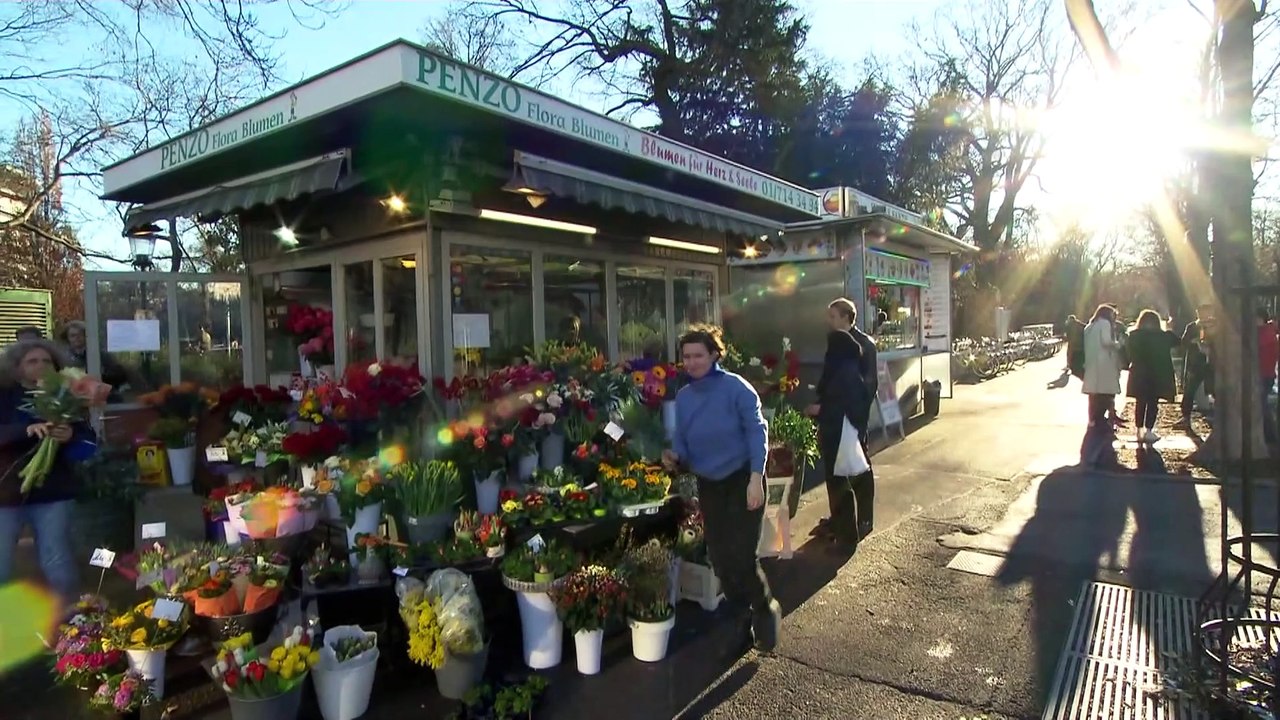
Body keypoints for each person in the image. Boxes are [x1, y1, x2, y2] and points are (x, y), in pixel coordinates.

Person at [662, 324, 780, 653]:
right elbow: (682, 439)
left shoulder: (736, 388)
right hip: (710, 484)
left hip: (743, 479)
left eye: (698, 355)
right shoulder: (684, 397)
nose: (691, 362)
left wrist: (756, 478)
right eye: (686, 356)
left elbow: (757, 432)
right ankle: (741, 624)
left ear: (715, 354)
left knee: (742, 558)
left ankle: (765, 608)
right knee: (720, 559)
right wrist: (675, 456)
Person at [0, 339, 98, 608]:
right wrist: (25, 430)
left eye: (46, 361)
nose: (41, 366)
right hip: (6, 493)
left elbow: (89, 446)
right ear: (16, 367)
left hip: (53, 492)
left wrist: (71, 436)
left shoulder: (67, 396)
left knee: (57, 558)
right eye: (32, 361)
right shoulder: (4, 396)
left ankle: (72, 618)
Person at [807, 298, 876, 545]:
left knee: (857, 470)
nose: (829, 321)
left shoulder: (863, 344)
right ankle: (839, 520)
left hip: (851, 420)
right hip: (835, 419)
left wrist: (856, 419)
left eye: (833, 316)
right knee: (839, 472)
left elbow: (867, 386)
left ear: (847, 317)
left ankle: (862, 519)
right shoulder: (836, 342)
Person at [1124, 310, 1179, 445]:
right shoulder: (1163, 336)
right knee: (1153, 403)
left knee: (1140, 402)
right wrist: (1169, 328)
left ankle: (1138, 430)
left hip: (1139, 374)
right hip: (1157, 374)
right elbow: (1178, 342)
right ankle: (1149, 430)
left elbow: (1128, 352)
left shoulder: (1134, 335)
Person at [1082, 304, 1124, 428]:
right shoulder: (1105, 324)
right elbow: (1106, 342)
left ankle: (1092, 420)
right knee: (1106, 393)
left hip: (1091, 363)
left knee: (1093, 394)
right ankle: (1102, 419)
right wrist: (1119, 344)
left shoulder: (1089, 326)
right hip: (1104, 363)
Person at [1180, 305, 1214, 426]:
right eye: (1200, 312)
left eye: (1205, 311)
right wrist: (1193, 342)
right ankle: (1185, 416)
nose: (1202, 314)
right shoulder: (1192, 327)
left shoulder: (1215, 325)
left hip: (1211, 362)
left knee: (1214, 389)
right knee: (1190, 390)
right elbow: (1183, 342)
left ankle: (1215, 414)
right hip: (1195, 363)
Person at [1258, 307, 1278, 444]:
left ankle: (1270, 435)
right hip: (1264, 374)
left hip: (1265, 374)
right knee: (1261, 403)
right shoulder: (1266, 332)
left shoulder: (1267, 333)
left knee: (1261, 404)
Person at [1065, 314, 1086, 379]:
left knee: (1069, 353)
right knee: (1079, 354)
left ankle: (1069, 365)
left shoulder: (1069, 325)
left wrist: (1068, 339)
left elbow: (1068, 334)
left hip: (1072, 342)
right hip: (1080, 343)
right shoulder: (1080, 324)